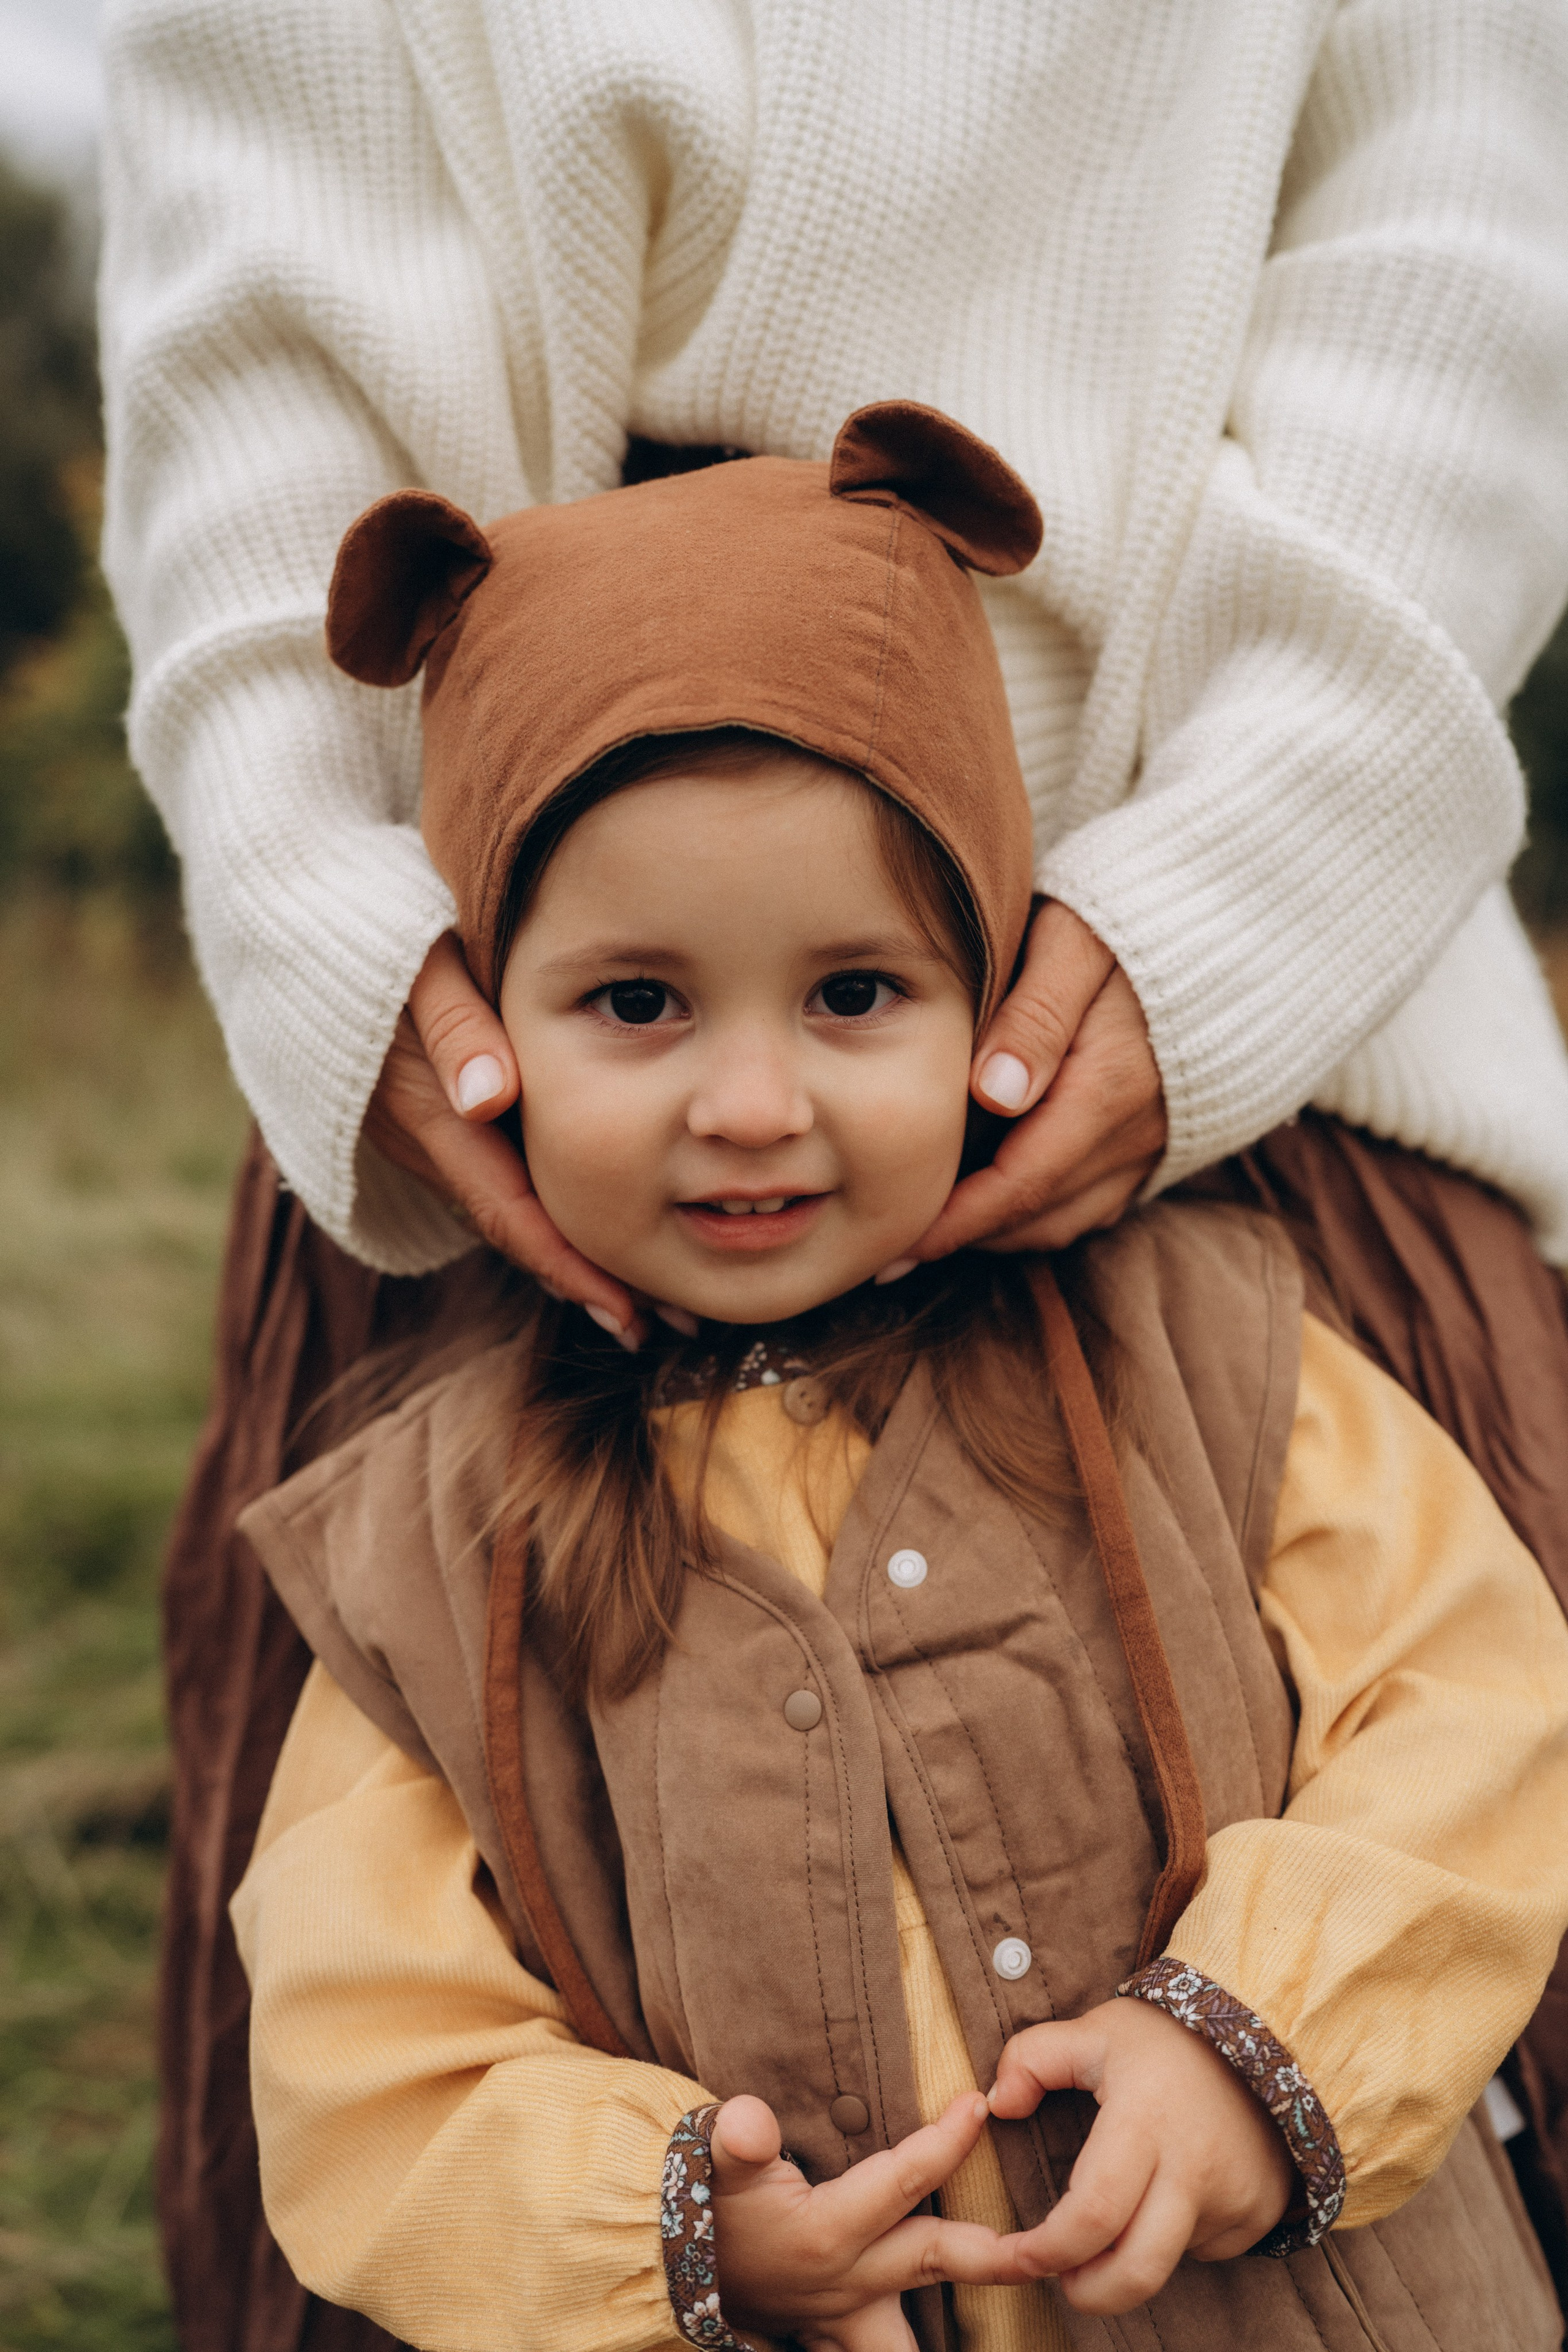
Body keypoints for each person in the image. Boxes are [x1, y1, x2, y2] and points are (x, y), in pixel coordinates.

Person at [94, 6, 1568, 2343]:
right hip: (478, 1040)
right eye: (667, 1016)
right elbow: (250, 347)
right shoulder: (439, 1541)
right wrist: (334, 914)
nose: (760, 1110)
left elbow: (1457, 261)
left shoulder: (1242, 1373)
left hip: (1253, 974)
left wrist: (1265, 870)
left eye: (852, 1006)